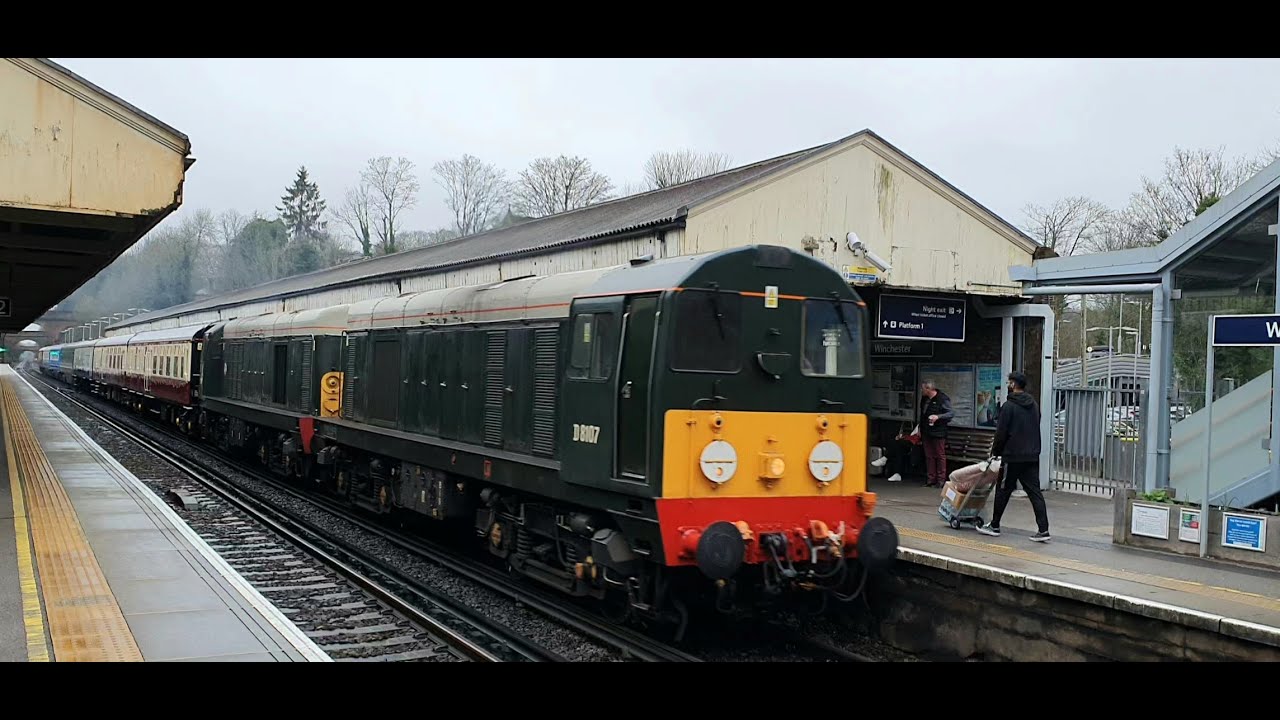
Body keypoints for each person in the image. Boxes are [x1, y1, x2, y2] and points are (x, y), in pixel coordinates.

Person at [978, 371, 1050, 542]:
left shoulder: (1008, 406)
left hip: (1012, 455)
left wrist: (995, 452)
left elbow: (1001, 433)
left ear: (1013, 385)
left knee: (1003, 490)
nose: (1007, 386)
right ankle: (1043, 529)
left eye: (1009, 383)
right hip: (1031, 455)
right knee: (1034, 492)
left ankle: (994, 525)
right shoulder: (1033, 404)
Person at [918, 380, 953, 487]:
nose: (921, 390)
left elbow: (951, 413)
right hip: (926, 431)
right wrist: (920, 428)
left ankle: (941, 480)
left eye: (923, 389)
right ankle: (931, 479)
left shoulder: (942, 399)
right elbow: (922, 415)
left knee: (939, 455)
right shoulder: (924, 399)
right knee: (929, 455)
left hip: (938, 432)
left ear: (928, 389)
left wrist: (938, 417)